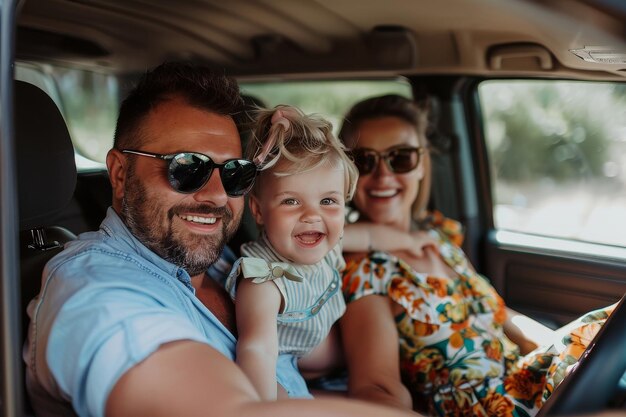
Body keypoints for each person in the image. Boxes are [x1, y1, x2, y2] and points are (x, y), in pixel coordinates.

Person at [23, 63, 425, 417]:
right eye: (187, 167)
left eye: (234, 174)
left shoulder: (210, 260)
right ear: (120, 173)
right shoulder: (97, 292)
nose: (217, 195)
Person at [337, 94, 615, 416]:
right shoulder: (366, 270)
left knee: (607, 330)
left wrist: (565, 348)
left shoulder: (437, 236)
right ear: (347, 171)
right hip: (488, 409)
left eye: (400, 158)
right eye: (364, 160)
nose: (383, 176)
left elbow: (499, 314)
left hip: (527, 381)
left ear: (421, 164)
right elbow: (376, 386)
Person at [224, 105, 357, 400]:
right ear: (258, 210)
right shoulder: (264, 280)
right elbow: (257, 350)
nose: (313, 215)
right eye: (291, 202)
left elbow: (368, 236)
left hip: (325, 367)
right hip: (279, 370)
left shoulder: (329, 241)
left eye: (328, 201)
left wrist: (411, 240)